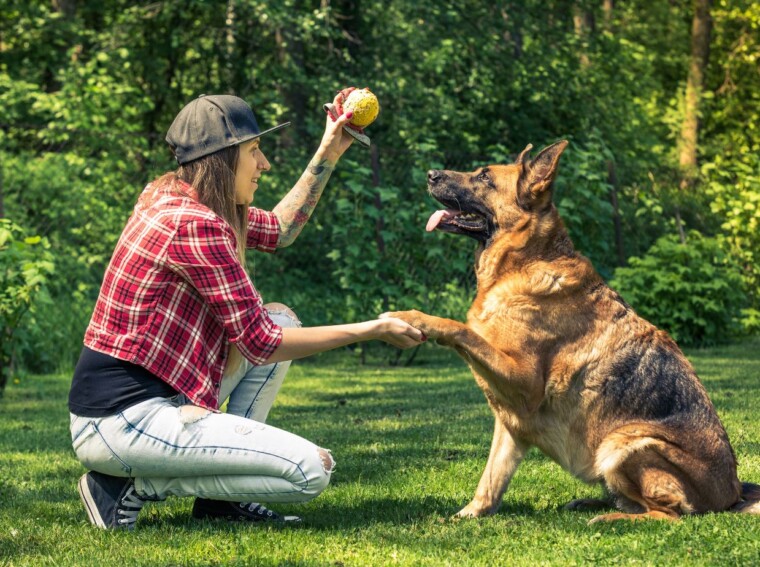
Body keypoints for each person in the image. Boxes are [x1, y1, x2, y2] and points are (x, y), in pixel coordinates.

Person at [68, 90, 425, 530]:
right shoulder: (194, 224)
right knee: (311, 470)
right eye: (253, 151)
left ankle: (220, 503)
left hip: (147, 402)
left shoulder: (181, 198)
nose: (265, 164)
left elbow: (279, 229)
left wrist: (331, 147)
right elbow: (260, 343)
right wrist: (370, 329)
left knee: (281, 317)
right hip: (122, 420)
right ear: (221, 158)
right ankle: (124, 488)